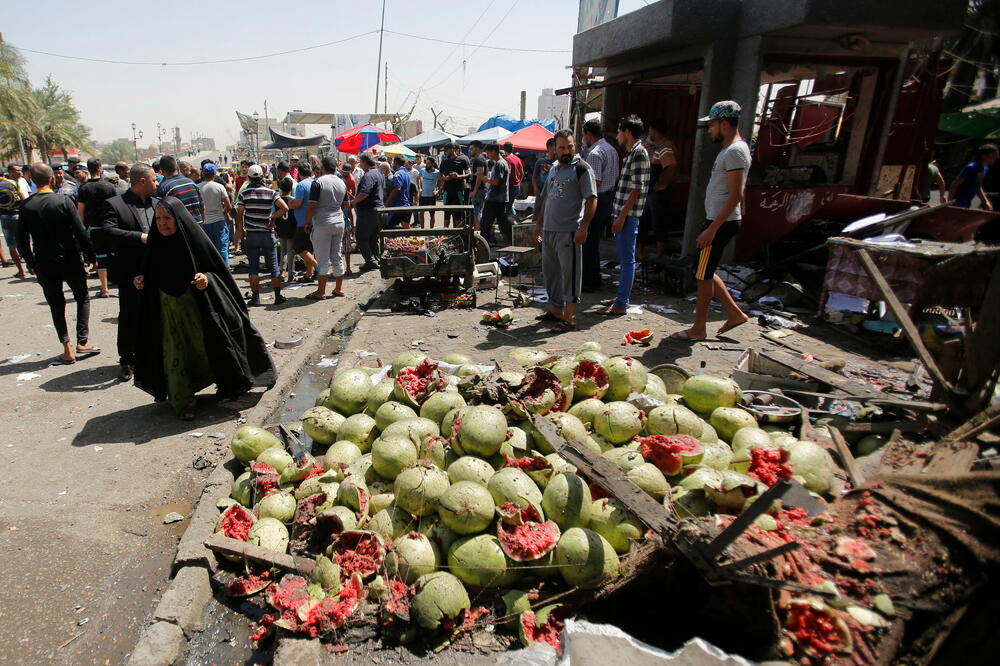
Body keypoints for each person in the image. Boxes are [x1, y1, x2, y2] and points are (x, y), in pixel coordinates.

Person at [133, 197, 276, 420]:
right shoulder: (155, 244)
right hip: (168, 313)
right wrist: (141, 279)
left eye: (167, 218)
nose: (162, 223)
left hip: (197, 311)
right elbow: (148, 271)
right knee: (174, 353)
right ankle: (184, 400)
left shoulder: (194, 241)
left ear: (178, 219)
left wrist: (206, 279)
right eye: (158, 219)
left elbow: (217, 272)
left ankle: (225, 383)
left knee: (208, 348)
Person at [671, 101, 750, 341]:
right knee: (705, 269)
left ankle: (698, 328)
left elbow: (736, 194)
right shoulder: (731, 150)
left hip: (719, 222)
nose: (710, 130)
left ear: (724, 124)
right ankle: (735, 313)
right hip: (721, 220)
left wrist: (712, 229)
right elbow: (740, 194)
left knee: (702, 274)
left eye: (712, 125)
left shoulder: (735, 151)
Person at [17, 163, 99, 364]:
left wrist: (31, 263)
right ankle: (83, 340)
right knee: (82, 297)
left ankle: (67, 348)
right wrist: (91, 256)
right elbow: (80, 232)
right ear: (52, 179)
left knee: (56, 304)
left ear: (33, 181)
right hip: (70, 258)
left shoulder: (26, 206)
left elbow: (22, 241)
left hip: (44, 262)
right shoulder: (63, 201)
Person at [97, 163, 157, 381]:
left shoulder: (158, 204)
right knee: (130, 315)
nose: (156, 183)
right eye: (153, 179)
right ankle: (127, 360)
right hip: (130, 271)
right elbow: (108, 231)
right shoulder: (115, 204)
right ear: (142, 181)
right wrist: (139, 237)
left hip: (155, 270)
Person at [533, 130, 598, 331]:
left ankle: (568, 318)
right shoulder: (553, 169)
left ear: (575, 145)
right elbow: (547, 199)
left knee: (569, 274)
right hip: (549, 231)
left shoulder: (582, 169)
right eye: (561, 147)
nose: (566, 151)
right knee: (550, 273)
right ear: (555, 149)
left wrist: (583, 227)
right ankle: (555, 311)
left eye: (569, 146)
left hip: (569, 231)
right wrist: (539, 224)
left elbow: (592, 199)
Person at [603, 115, 649, 316]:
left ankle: (622, 302)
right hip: (624, 214)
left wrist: (622, 217)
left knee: (627, 260)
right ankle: (621, 297)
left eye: (620, 132)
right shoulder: (633, 153)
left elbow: (636, 189)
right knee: (624, 258)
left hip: (628, 216)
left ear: (628, 132)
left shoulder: (639, 153)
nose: (618, 136)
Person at [235, 164, 288, 305]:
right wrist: (273, 218)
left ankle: (256, 298)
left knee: (253, 268)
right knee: (273, 266)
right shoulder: (271, 193)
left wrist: (241, 230)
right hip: (267, 235)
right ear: (262, 177)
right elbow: (285, 207)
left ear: (249, 177)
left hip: (252, 235)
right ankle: (277, 297)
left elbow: (239, 214)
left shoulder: (244, 194)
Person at [581, 120, 620, 292]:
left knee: (588, 241)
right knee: (593, 241)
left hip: (597, 198)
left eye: (583, 135)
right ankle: (593, 277)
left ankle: (589, 280)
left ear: (589, 134)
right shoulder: (611, 150)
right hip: (608, 198)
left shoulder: (595, 154)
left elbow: (593, 184)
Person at [305, 155, 349, 300]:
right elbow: (346, 205)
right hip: (339, 221)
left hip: (323, 223)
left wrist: (306, 222)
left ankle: (321, 291)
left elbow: (311, 206)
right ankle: (339, 288)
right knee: (337, 255)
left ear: (323, 167)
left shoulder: (318, 182)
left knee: (322, 258)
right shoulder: (342, 182)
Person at [639, 118, 678, 261]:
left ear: (654, 131)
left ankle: (659, 255)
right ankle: (641, 252)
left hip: (658, 193)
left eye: (650, 131)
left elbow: (671, 165)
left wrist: (664, 184)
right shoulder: (658, 146)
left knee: (658, 223)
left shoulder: (665, 147)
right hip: (652, 192)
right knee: (645, 221)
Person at [77, 158, 117, 298]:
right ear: (100, 168)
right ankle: (117, 281)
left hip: (94, 227)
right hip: (111, 226)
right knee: (113, 254)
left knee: (100, 256)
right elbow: (117, 206)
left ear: (88, 169)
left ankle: (104, 288)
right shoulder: (109, 187)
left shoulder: (84, 188)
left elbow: (80, 211)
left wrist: (81, 229)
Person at [349, 153, 384, 270]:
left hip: (369, 211)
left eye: (360, 162)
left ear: (364, 162)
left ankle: (371, 260)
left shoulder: (369, 175)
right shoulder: (378, 173)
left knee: (361, 237)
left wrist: (353, 202)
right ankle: (377, 259)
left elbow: (364, 193)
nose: (360, 164)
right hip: (377, 210)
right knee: (373, 238)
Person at [198, 163, 233, 266]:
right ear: (214, 174)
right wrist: (223, 212)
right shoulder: (219, 187)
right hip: (219, 221)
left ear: (203, 174)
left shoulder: (197, 187)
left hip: (204, 223)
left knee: (209, 250)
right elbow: (229, 206)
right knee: (222, 248)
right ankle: (225, 272)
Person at [288, 163, 318, 282]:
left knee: (299, 248)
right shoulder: (315, 183)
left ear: (299, 174)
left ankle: (318, 268)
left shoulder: (301, 185)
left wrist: (290, 203)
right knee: (309, 249)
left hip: (303, 222)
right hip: (314, 220)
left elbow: (298, 203)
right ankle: (309, 274)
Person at [156, 156, 205, 223]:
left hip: (180, 230)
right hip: (197, 227)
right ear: (177, 168)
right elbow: (202, 208)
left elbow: (160, 213)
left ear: (161, 171)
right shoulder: (191, 183)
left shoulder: (164, 187)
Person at [949, 144, 997, 209]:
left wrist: (985, 201)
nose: (996, 157)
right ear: (984, 156)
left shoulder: (985, 168)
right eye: (993, 155)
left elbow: (977, 185)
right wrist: (949, 203)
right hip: (957, 201)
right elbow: (955, 185)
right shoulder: (972, 168)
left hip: (967, 202)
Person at [480, 142, 510, 244]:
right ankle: (511, 241)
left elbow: (496, 181)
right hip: (500, 199)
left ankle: (483, 246)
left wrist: (484, 178)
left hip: (494, 199)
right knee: (503, 223)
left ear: (494, 152)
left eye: (488, 153)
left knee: (485, 224)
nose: (488, 156)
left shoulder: (499, 164)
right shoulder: (503, 162)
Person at [0, 166, 26, 276]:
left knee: (11, 245)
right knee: (25, 241)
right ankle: (31, 265)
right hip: (17, 215)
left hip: (5, 217)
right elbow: (22, 198)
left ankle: (21, 270)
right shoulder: (13, 183)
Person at [438, 143, 469, 228]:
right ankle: (445, 235)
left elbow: (469, 174)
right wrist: (446, 178)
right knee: (446, 215)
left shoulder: (462, 160)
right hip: (447, 192)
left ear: (452, 149)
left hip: (458, 191)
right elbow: (439, 177)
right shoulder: (444, 162)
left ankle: (458, 236)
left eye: (446, 151)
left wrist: (458, 176)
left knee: (458, 215)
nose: (444, 153)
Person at [275, 176, 297, 283]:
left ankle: (282, 271)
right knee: (291, 251)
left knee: (283, 250)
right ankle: (291, 274)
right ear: (291, 188)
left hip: (281, 228)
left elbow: (275, 214)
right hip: (291, 229)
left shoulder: (277, 200)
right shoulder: (292, 201)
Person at [532, 138, 556, 222]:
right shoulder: (540, 161)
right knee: (537, 213)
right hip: (541, 191)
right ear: (549, 147)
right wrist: (535, 188)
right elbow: (534, 177)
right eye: (555, 146)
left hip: (553, 193)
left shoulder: (558, 162)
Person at [339, 164, 357, 274]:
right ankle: (348, 268)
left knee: (338, 250)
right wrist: (353, 226)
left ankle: (342, 269)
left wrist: (353, 226)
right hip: (345, 225)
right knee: (347, 249)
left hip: (340, 225)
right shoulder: (347, 200)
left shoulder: (335, 199)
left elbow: (350, 213)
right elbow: (350, 213)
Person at [385, 156, 412, 229]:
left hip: (398, 205)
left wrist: (388, 200)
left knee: (388, 226)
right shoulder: (407, 174)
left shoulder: (398, 174)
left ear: (395, 163)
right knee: (406, 227)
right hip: (406, 204)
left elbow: (397, 188)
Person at [468, 141, 488, 232]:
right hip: (478, 190)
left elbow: (480, 176)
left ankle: (477, 233)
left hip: (479, 191)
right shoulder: (477, 160)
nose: (469, 151)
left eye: (471, 149)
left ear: (477, 149)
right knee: (477, 212)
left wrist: (475, 190)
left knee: (477, 212)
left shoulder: (479, 160)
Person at [503, 142, 524, 216]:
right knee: (510, 205)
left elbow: (508, 173)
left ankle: (513, 223)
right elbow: (522, 173)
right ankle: (514, 221)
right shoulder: (518, 159)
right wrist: (518, 182)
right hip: (517, 186)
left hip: (510, 186)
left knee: (508, 207)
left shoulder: (507, 159)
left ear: (504, 149)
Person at [417, 157, 439, 228]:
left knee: (432, 214)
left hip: (431, 197)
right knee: (421, 213)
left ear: (433, 164)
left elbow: (443, 181)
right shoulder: (422, 170)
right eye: (426, 163)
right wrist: (419, 188)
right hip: (423, 196)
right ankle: (422, 229)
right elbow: (418, 178)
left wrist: (438, 191)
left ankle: (431, 230)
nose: (427, 165)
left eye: (429, 164)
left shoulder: (437, 172)